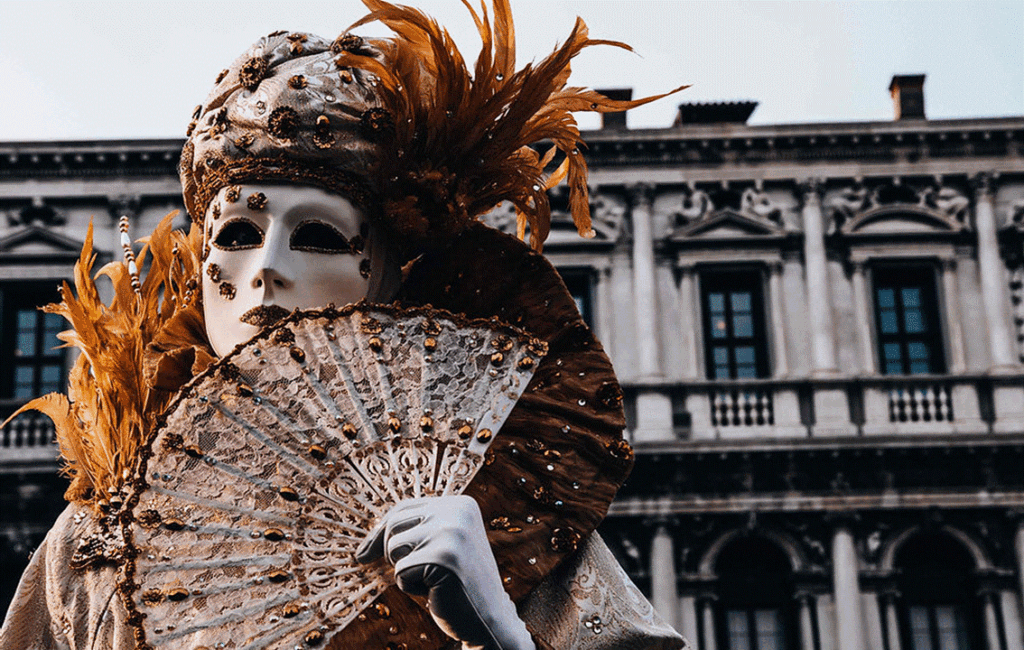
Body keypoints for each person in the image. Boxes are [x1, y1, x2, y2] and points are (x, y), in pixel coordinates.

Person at [0, 2, 687, 649]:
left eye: (320, 238)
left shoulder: (507, 516)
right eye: (237, 232)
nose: (266, 269)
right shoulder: (91, 544)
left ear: (384, 277)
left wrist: (499, 630)